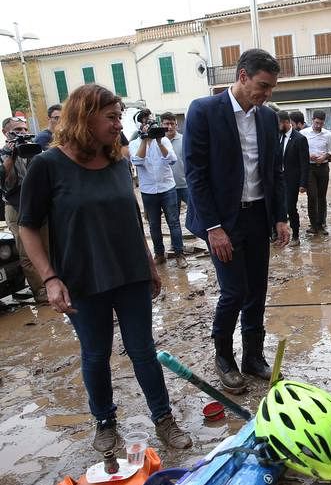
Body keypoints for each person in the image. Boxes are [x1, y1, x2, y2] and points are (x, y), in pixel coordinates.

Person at [17, 84, 192, 452]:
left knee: (142, 349)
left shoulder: (117, 160)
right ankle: (105, 422)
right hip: (82, 277)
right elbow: (27, 227)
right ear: (84, 118)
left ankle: (164, 418)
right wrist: (50, 278)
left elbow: (131, 217)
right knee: (96, 354)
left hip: (130, 273)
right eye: (111, 118)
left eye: (119, 117)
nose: (118, 125)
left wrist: (149, 263)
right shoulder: (47, 165)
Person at [184, 48, 289, 394]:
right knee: (234, 291)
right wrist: (213, 227)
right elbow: (196, 174)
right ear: (243, 76)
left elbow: (275, 171)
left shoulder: (267, 118)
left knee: (257, 289)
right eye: (263, 86)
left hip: (258, 216)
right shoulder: (204, 111)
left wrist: (281, 217)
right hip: (223, 221)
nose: (267, 94)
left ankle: (253, 357)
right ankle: (224, 358)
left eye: (271, 87)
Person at [130, 109, 187, 269]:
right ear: (139, 125)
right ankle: (159, 254)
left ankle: (179, 254)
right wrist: (145, 140)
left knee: (174, 222)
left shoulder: (163, 140)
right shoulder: (134, 144)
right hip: (148, 191)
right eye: (144, 122)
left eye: (149, 121)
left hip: (167, 188)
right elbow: (137, 161)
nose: (148, 124)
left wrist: (159, 142)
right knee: (154, 224)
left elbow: (172, 159)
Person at [1, 116, 48, 303]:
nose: (22, 133)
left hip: (37, 204)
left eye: (24, 130)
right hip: (15, 206)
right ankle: (40, 291)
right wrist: (11, 156)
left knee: (47, 246)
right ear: (6, 133)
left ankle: (54, 283)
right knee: (26, 250)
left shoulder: (34, 150)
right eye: (17, 130)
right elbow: (5, 181)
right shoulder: (3, 154)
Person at [277, 110, 309, 247]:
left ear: (286, 122)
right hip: (278, 179)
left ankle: (295, 235)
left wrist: (303, 183)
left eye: (278, 124)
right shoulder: (277, 136)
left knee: (290, 207)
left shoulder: (299, 139)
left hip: (292, 180)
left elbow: (304, 163)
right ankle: (278, 235)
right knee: (278, 207)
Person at [300, 110, 331, 235]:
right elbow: (300, 152)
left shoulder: (328, 134)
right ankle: (313, 224)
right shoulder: (304, 133)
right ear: (312, 120)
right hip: (309, 168)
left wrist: (325, 157)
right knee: (312, 196)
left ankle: (321, 224)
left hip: (323, 167)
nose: (318, 125)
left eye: (321, 123)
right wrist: (309, 156)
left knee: (322, 196)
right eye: (316, 122)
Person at [161, 112, 189, 218]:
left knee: (197, 212)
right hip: (169, 188)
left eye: (172, 124)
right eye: (166, 124)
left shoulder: (184, 139)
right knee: (173, 218)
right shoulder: (158, 142)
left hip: (186, 185)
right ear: (161, 125)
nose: (170, 127)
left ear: (176, 125)